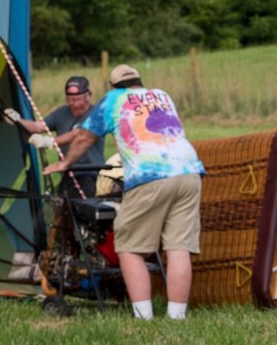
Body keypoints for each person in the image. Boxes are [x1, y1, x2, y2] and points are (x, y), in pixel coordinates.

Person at [46, 64, 205, 320]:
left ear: (113, 87)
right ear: (138, 82)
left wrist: (65, 163)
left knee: (129, 247)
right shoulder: (162, 95)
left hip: (150, 175)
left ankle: (143, 317)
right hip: (189, 172)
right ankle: (177, 318)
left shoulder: (113, 100)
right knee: (178, 246)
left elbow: (84, 137)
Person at [5, 74, 112, 195]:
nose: (75, 104)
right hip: (68, 174)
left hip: (91, 174)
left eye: (79, 100)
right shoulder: (61, 113)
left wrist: (49, 141)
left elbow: (77, 135)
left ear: (89, 96)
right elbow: (38, 127)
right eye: (71, 100)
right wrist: (17, 120)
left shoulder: (96, 115)